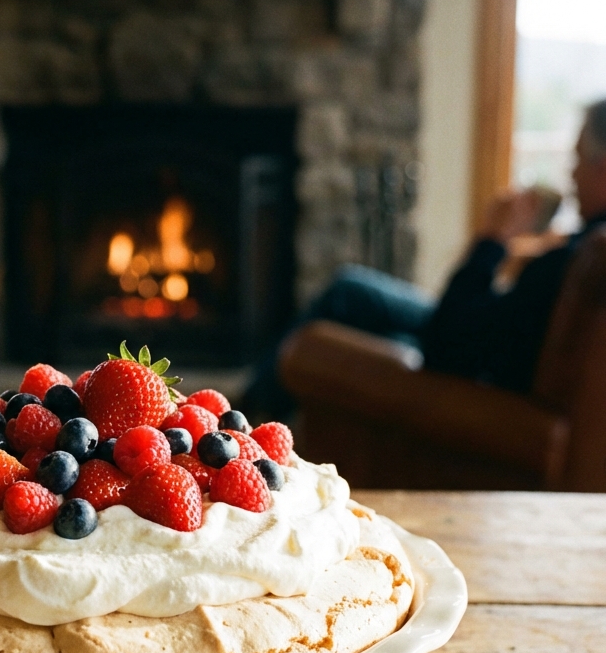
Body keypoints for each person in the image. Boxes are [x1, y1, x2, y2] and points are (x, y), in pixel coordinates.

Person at [244, 98, 606, 419]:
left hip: (468, 357)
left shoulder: (583, 255)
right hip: (479, 335)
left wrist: (492, 240)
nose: (571, 174)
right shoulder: (585, 245)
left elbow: (449, 341)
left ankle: (246, 416)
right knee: (355, 293)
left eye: (577, 159)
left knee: (348, 294)